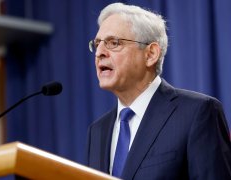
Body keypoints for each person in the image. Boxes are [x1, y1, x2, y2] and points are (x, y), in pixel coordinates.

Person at [86, 2, 231, 180]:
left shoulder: (196, 113)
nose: (99, 52)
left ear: (151, 54)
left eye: (113, 43)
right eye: (97, 43)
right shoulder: (98, 130)